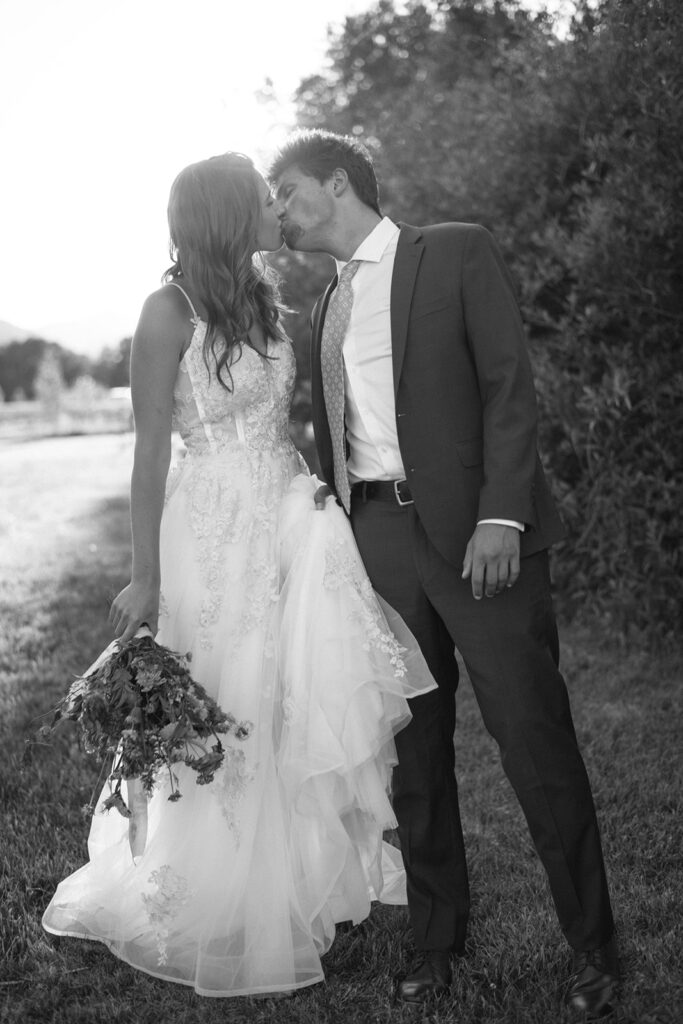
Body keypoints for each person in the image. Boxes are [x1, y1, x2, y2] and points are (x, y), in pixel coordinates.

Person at [41, 152, 437, 998]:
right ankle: (219, 887)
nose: (274, 207)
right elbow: (150, 454)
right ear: (225, 215)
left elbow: (276, 422)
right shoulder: (165, 311)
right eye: (262, 198)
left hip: (285, 514)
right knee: (227, 695)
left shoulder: (262, 298)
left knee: (290, 694)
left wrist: (311, 492)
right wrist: (145, 578)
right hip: (211, 529)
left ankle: (299, 876)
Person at [269, 129, 619, 1018]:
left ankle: (594, 949)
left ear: (336, 183)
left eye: (286, 191)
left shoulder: (454, 251)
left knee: (532, 740)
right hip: (377, 542)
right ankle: (435, 942)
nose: (277, 210)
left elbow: (508, 386)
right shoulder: (320, 311)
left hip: (477, 536)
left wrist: (502, 514)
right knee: (412, 754)